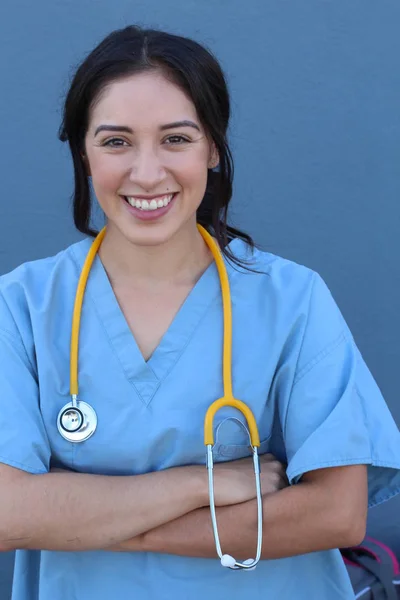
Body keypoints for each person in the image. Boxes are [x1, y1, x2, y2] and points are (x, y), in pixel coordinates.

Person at [0, 24, 399, 600]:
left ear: (213, 146)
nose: (146, 172)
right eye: (115, 142)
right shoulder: (21, 307)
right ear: (83, 153)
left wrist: (91, 520)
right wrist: (205, 485)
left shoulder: (290, 299)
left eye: (176, 139)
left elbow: (336, 515)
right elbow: (10, 513)